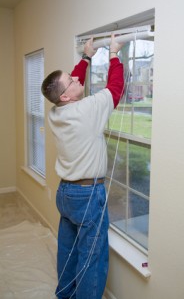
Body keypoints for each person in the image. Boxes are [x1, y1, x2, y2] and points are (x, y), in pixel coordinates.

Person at [41, 34, 124, 299]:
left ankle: (64, 294)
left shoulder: (55, 112)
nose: (78, 78)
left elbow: (71, 82)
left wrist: (86, 57)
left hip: (65, 195)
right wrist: (113, 55)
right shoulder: (86, 110)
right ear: (65, 96)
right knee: (92, 257)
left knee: (68, 249)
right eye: (72, 80)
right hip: (88, 197)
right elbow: (115, 88)